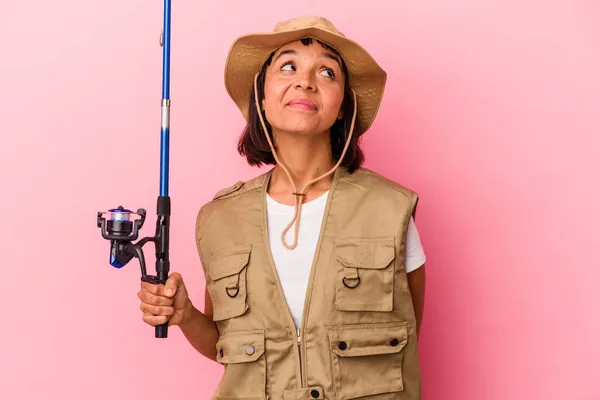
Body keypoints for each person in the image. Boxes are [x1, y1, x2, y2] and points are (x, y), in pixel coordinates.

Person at [138, 15, 427, 399]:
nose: (305, 81)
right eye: (287, 66)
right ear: (261, 94)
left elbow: (406, 340)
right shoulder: (220, 219)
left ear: (343, 105)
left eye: (326, 72)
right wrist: (185, 315)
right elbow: (227, 347)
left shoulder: (391, 209)